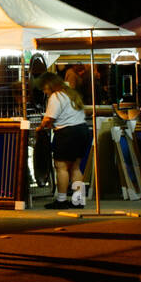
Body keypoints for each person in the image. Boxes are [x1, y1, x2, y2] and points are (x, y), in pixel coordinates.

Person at [34, 73, 91, 208]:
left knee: (61, 167)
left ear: (50, 85)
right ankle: (78, 200)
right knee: (75, 167)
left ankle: (61, 200)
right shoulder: (71, 93)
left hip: (67, 133)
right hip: (82, 130)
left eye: (44, 88)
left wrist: (40, 127)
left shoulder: (56, 96)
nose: (44, 91)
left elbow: (49, 118)